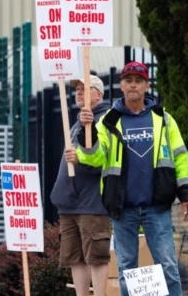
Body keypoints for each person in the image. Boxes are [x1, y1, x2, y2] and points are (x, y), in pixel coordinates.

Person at [65, 61, 188, 296]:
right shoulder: (109, 121)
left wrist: (186, 192)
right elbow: (96, 158)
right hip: (122, 208)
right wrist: (89, 132)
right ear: (121, 86)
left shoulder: (164, 119)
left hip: (157, 206)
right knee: (127, 270)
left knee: (167, 266)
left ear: (147, 86)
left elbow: (180, 157)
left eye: (138, 81)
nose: (133, 85)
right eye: (128, 81)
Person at [50, 75, 111, 296]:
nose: (79, 92)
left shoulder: (105, 119)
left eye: (86, 89)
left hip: (92, 202)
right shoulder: (77, 122)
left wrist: (81, 157)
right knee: (75, 258)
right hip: (70, 203)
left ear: (99, 94)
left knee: (96, 256)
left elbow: (103, 160)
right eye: (77, 89)